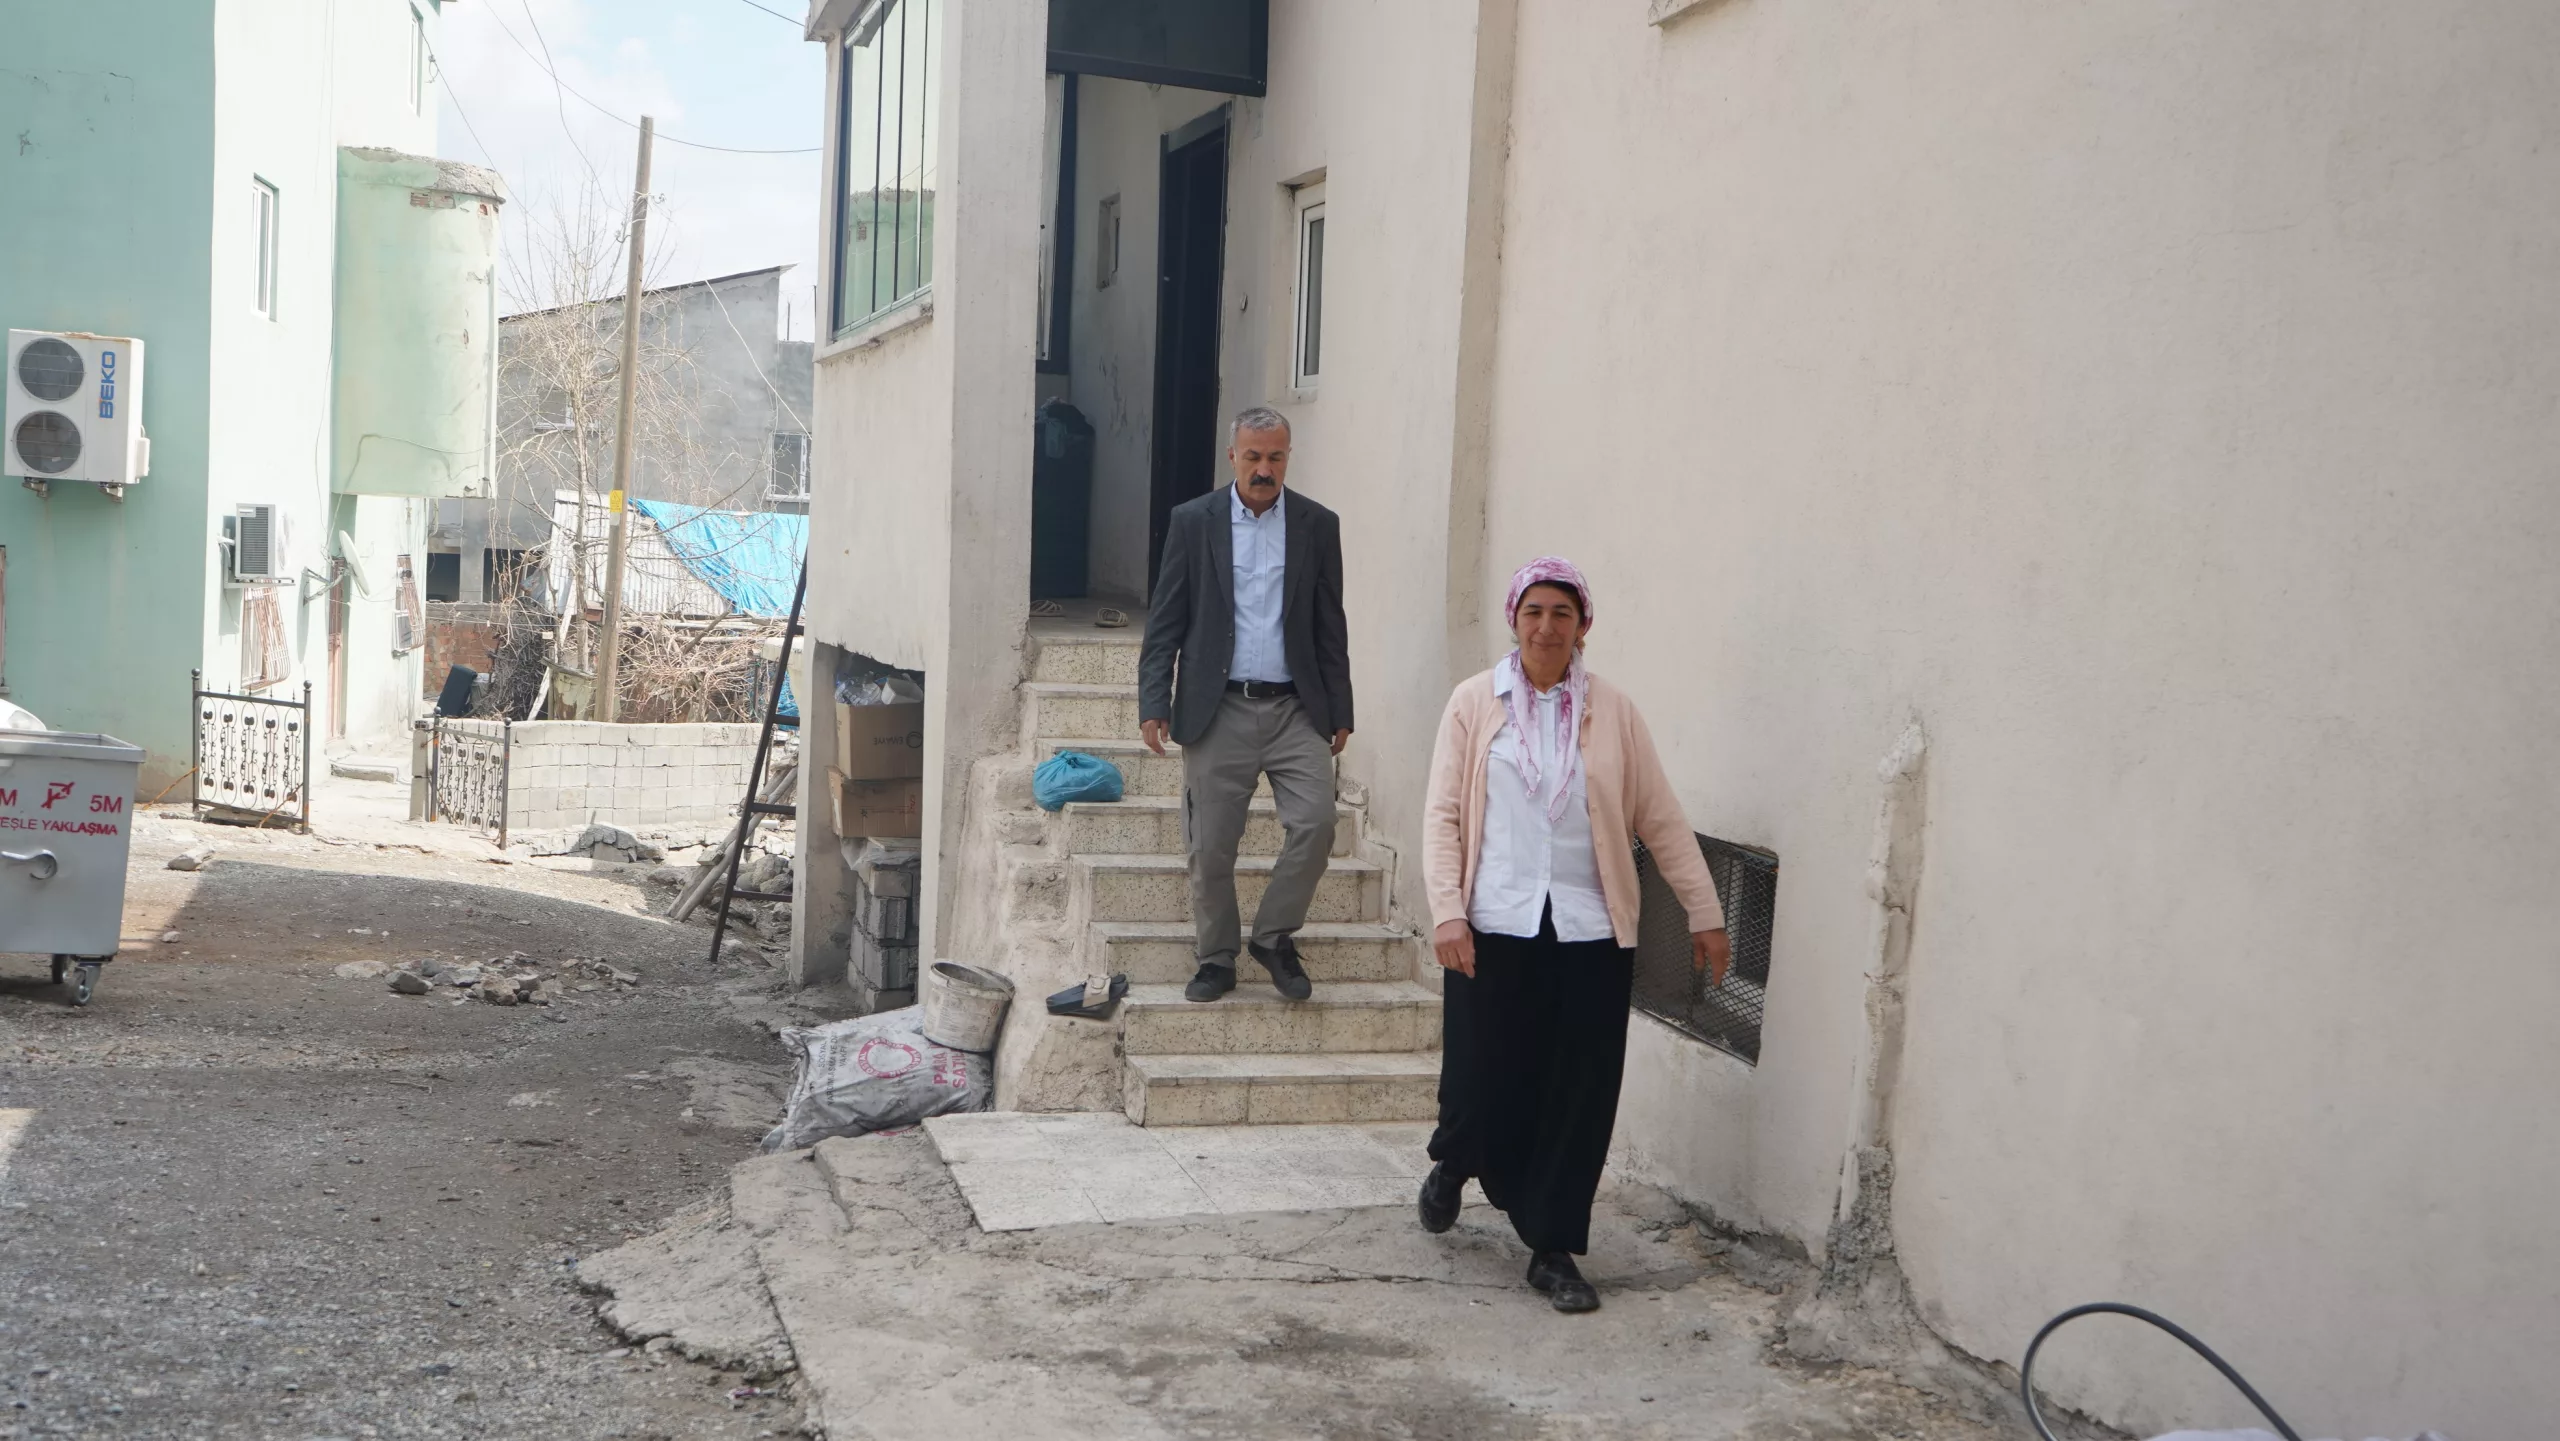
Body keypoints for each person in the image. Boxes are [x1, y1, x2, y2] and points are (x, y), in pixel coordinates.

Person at [1415, 556, 1730, 1313]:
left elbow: (1659, 815)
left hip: (1591, 929)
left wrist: (1706, 911)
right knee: (1483, 1078)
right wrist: (1447, 910)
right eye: (1534, 611)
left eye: (1562, 613)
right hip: (1495, 922)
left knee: (1579, 1089)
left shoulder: (1614, 711)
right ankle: (1457, 1157)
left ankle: (1552, 1248)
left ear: (1583, 625)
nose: (1547, 626)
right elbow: (1443, 814)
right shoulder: (1474, 702)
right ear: (1513, 619)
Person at [1138, 406, 1354, 1004]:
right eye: (1253, 456)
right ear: (1232, 456)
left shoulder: (1317, 524)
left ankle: (1274, 937)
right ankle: (1216, 958)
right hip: (1219, 708)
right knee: (1209, 846)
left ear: (1288, 457)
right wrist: (1154, 699)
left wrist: (1340, 707)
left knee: (1317, 823)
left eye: (1275, 457)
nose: (1264, 469)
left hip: (1296, 708)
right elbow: (1166, 618)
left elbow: (1329, 623)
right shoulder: (1193, 521)